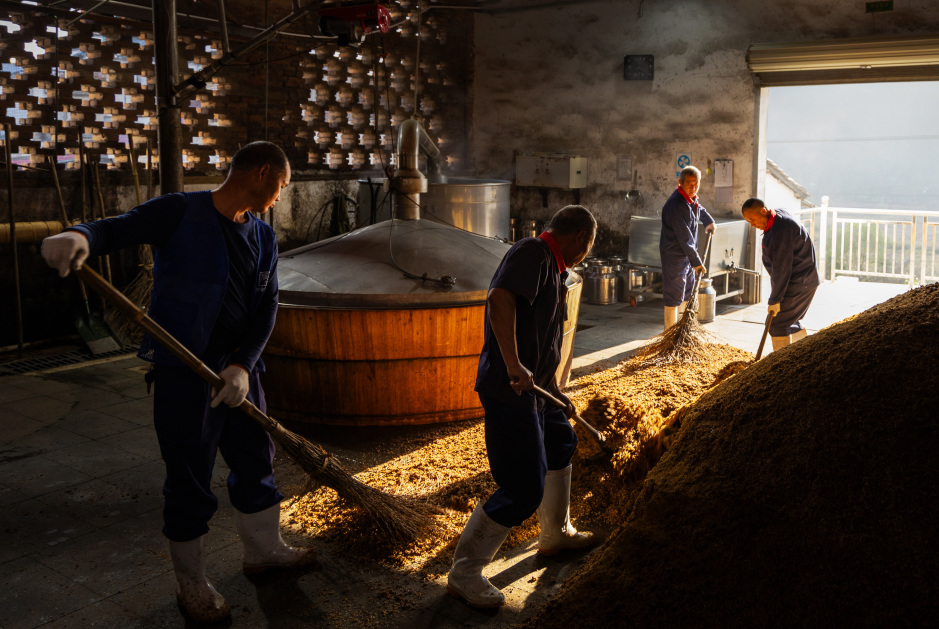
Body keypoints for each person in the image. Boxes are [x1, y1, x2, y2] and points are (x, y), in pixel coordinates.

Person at [40, 141, 312, 623]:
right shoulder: (180, 212)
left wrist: (243, 366)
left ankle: (264, 550)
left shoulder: (263, 236)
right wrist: (78, 235)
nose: (280, 196)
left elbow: (267, 305)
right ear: (262, 172)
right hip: (184, 371)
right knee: (188, 473)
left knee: (256, 459)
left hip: (239, 373)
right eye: (282, 185)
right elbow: (114, 229)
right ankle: (192, 584)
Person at [447, 205, 599, 609]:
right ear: (581, 238)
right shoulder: (533, 252)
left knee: (562, 441)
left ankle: (555, 534)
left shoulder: (555, 270)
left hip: (538, 390)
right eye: (589, 246)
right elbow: (499, 299)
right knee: (524, 486)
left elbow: (542, 341)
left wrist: (555, 389)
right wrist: (513, 364)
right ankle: (465, 572)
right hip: (509, 389)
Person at [741, 198, 820, 351]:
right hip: (801, 279)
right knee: (789, 321)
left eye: (752, 219)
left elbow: (782, 268)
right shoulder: (776, 218)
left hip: (801, 282)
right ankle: (805, 355)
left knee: (776, 324)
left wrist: (775, 299)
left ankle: (782, 363)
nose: (752, 224)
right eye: (748, 221)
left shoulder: (781, 230)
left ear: (763, 211)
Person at [659, 165, 716, 330]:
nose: (693, 187)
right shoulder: (676, 205)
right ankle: (670, 332)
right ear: (680, 182)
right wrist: (697, 262)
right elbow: (685, 238)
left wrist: (708, 221)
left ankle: (683, 330)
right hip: (675, 256)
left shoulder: (690, 199)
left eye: (696, 184)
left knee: (687, 292)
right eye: (689, 184)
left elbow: (698, 208)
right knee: (674, 294)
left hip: (687, 256)